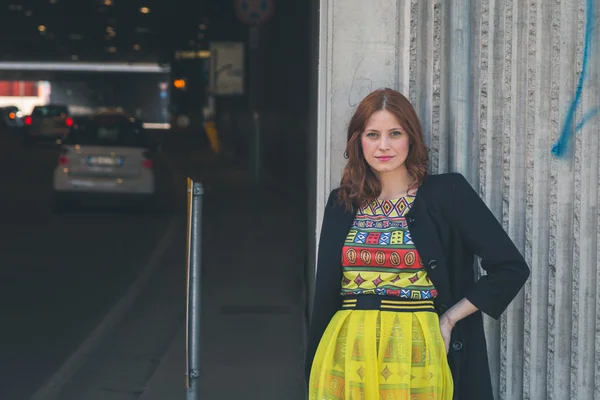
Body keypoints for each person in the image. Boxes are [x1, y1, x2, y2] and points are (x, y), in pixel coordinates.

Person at [305, 88, 530, 399]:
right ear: (358, 141)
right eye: (372, 134)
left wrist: (450, 318)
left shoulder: (447, 194)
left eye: (394, 133)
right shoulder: (342, 203)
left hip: (419, 351)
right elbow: (326, 293)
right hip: (347, 351)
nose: (383, 145)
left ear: (411, 138)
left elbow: (510, 267)